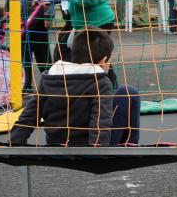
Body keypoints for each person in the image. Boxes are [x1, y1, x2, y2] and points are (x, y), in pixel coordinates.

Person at [10, 29, 140, 147]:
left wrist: (15, 141)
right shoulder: (100, 81)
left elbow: (30, 115)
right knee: (128, 92)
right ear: (104, 60)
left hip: (56, 146)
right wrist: (98, 150)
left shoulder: (50, 77)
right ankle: (129, 147)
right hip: (90, 148)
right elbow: (101, 120)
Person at [22, 0, 54, 91]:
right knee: (25, 51)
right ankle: (26, 83)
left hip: (38, 16)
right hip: (27, 17)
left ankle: (52, 84)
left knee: (42, 53)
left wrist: (48, 16)